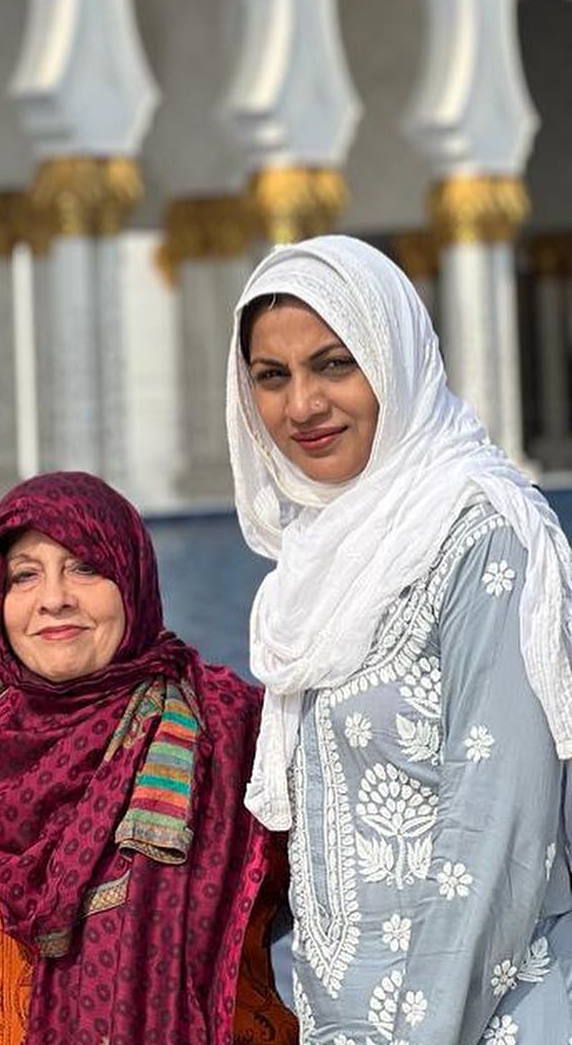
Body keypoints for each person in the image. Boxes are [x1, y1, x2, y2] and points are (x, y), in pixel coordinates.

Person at [228, 233, 572, 1041]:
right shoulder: (315, 566)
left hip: (487, 1022)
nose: (302, 406)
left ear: (394, 358)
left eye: (334, 364)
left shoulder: (483, 534)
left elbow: (497, 832)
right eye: (272, 376)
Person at [0, 470, 295, 1045]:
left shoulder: (232, 733)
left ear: (132, 579)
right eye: (25, 575)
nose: (54, 599)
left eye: (85, 567)